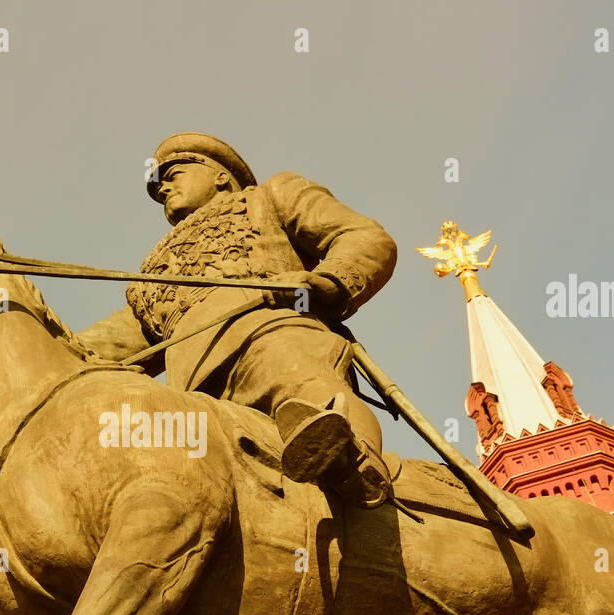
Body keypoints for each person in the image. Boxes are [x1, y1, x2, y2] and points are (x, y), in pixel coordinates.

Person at [78, 132, 398, 505]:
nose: (163, 187)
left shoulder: (269, 197)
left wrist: (326, 282)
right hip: (195, 394)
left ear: (219, 175)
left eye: (174, 173)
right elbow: (110, 342)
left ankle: (354, 462)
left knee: (299, 384)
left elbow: (364, 236)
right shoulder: (151, 275)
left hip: (268, 334)